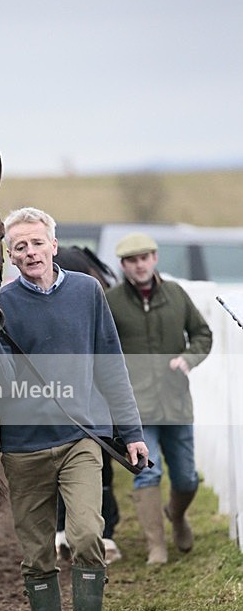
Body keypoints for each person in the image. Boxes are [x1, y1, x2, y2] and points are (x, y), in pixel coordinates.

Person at [0, 207, 148, 611]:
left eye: (37, 242)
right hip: (24, 448)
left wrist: (132, 431)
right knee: (37, 556)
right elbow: (1, 385)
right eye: (19, 247)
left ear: (54, 245)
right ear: (10, 256)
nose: (30, 252)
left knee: (85, 537)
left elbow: (111, 363)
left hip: (81, 439)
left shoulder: (87, 291)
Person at [105, 233, 212, 565]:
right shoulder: (111, 301)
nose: (139, 265)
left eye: (144, 258)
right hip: (136, 409)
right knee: (147, 473)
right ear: (123, 265)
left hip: (176, 403)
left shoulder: (176, 294)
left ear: (154, 258)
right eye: (132, 260)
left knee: (186, 477)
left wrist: (189, 359)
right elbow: (101, 348)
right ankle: (156, 547)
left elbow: (202, 333)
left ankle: (176, 515)